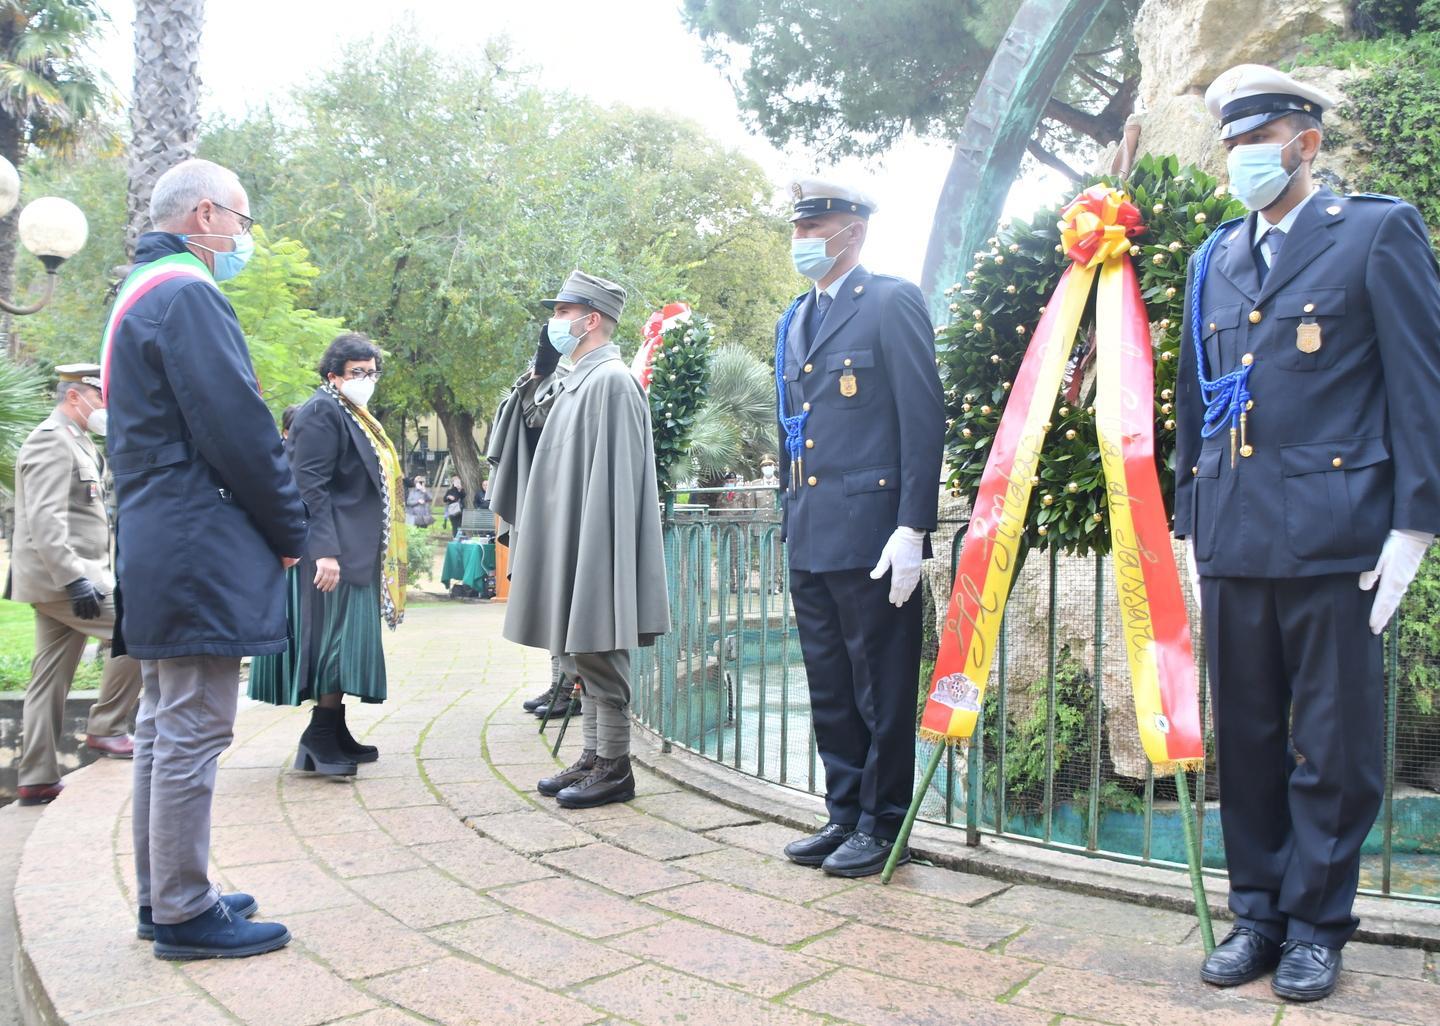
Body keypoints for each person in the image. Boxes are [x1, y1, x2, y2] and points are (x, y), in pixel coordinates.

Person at [1174, 65, 1440, 1003]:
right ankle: (1258, 914)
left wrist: (1415, 524)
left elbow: (1421, 384)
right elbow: (1195, 402)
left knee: (1333, 744)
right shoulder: (1214, 257)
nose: (1241, 159)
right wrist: (1188, 519)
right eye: (1233, 145)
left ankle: (1318, 926)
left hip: (1338, 536)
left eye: (1258, 141)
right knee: (1245, 738)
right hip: (1233, 533)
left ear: (1306, 144)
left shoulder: (1373, 231)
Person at [104, 158, 308, 960]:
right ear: (205, 216)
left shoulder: (138, 290)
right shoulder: (188, 293)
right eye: (242, 220)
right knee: (192, 725)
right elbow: (241, 432)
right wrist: (290, 530)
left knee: (164, 724)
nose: (244, 237)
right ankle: (185, 912)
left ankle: (163, 894)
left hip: (158, 534)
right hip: (195, 538)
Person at [774, 178, 945, 878]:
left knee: (881, 686)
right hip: (812, 530)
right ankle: (844, 813)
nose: (803, 241)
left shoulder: (889, 301)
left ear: (855, 232)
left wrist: (913, 528)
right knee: (830, 686)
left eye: (816, 229)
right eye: (798, 230)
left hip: (873, 532)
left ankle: (883, 823)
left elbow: (922, 419)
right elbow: (789, 428)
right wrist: (789, 514)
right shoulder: (794, 317)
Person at [501, 270, 670, 808]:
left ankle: (615, 766)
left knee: (600, 646)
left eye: (562, 312)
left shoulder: (612, 381)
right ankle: (595, 756)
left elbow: (615, 484)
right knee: (582, 651)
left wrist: (601, 555)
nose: (554, 322)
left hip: (599, 542)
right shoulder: (580, 380)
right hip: (577, 537)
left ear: (591, 319)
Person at [249, 333, 404, 776]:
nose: (367, 379)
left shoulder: (353, 414)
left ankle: (333, 729)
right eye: (358, 372)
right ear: (333, 375)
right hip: (333, 555)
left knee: (344, 642)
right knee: (334, 644)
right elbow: (309, 486)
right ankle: (318, 738)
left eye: (372, 372)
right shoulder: (322, 411)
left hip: (356, 549)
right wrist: (326, 553)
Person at [7, 365, 142, 805]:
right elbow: (45, 519)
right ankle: (107, 726)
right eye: (100, 397)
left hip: (71, 578)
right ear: (74, 396)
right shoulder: (51, 439)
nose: (105, 407)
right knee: (139, 631)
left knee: (49, 677)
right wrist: (74, 579)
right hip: (65, 580)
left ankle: (36, 777)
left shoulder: (78, 439)